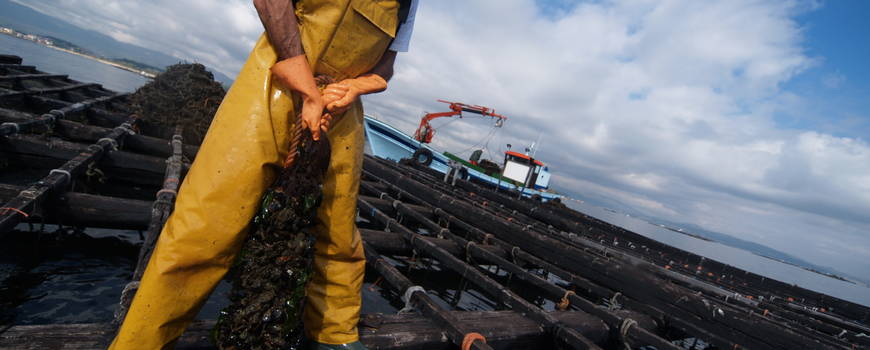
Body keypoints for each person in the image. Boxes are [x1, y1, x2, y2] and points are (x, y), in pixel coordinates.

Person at [109, 0, 418, 349]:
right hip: (274, 83)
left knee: (337, 236)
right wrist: (300, 75)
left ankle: (336, 336)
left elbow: (387, 64)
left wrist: (359, 87)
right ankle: (140, 340)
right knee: (206, 221)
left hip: (339, 110)